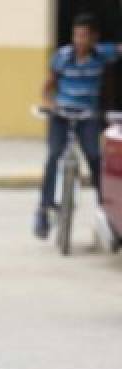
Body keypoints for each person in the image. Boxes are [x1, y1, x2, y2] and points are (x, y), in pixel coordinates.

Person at [34, 12, 120, 239]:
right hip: (61, 114)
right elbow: (48, 87)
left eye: (85, 36)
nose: (79, 41)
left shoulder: (102, 55)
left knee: (95, 157)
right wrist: (50, 104)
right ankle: (44, 209)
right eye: (76, 36)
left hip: (88, 116)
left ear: (94, 39)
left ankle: (106, 211)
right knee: (53, 155)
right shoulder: (61, 57)